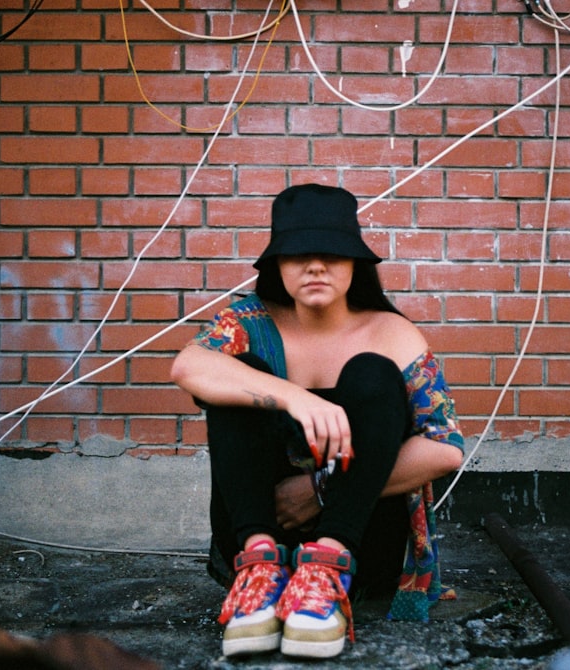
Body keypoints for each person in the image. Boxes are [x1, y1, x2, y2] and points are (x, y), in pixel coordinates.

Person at [170, 183, 465, 659]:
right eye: (297, 255)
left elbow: (444, 447)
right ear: (276, 266)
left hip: (361, 539)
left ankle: (326, 573)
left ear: (356, 265)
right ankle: (258, 579)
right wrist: (292, 398)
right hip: (256, 529)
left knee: (371, 373)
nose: (315, 266)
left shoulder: (391, 333)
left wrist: (319, 491)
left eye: (333, 254)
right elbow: (189, 367)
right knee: (242, 377)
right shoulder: (248, 323)